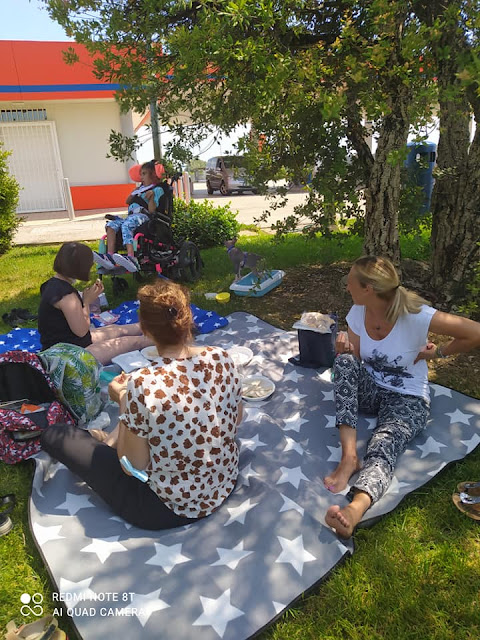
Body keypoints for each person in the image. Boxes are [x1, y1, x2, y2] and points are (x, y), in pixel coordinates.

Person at [40, 279, 243, 530]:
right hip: (222, 483)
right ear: (188, 318)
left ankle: (101, 439)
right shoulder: (221, 358)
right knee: (139, 426)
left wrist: (125, 402)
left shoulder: (143, 385)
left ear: (144, 329)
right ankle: (104, 439)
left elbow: (132, 466)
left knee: (54, 435)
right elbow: (236, 419)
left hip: (167, 508)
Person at [324, 255, 480, 539]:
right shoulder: (358, 311)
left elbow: (475, 332)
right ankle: (349, 457)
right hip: (372, 388)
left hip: (407, 397)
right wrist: (343, 350)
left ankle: (355, 509)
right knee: (343, 363)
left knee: (384, 444)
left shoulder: (417, 315)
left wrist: (438, 352)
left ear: (368, 288)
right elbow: (357, 359)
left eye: (350, 282)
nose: (346, 287)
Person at [38, 242, 153, 365]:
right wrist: (87, 302)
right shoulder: (67, 296)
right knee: (134, 342)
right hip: (69, 357)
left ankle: (154, 325)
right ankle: (164, 339)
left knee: (117, 329)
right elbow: (82, 331)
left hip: (66, 343)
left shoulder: (50, 284)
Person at [94, 160, 164, 272]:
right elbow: (127, 201)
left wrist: (151, 198)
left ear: (153, 175)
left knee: (127, 224)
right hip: (131, 216)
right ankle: (110, 257)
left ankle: (131, 257)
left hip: (143, 216)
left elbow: (152, 211)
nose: (141, 177)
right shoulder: (139, 190)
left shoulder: (157, 189)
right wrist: (133, 193)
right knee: (111, 225)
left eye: (144, 174)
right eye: (140, 174)